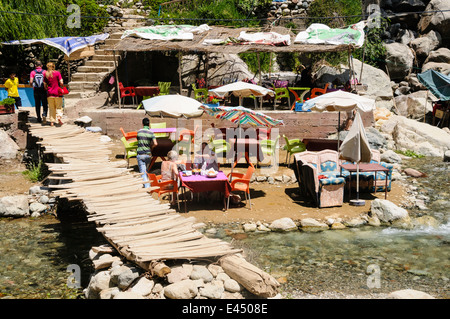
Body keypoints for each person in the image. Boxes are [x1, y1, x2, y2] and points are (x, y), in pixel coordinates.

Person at [136, 117, 157, 188]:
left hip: (140, 154)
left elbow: (138, 141)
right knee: (146, 171)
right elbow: (155, 143)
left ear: (142, 124)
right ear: (149, 124)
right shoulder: (151, 133)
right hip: (148, 155)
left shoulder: (139, 132)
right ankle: (147, 184)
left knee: (143, 172)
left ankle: (147, 187)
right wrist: (151, 148)